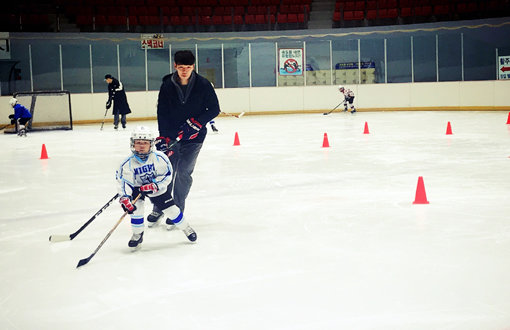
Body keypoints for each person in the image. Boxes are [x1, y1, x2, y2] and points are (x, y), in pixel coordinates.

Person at [148, 50, 220, 226]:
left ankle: (176, 211)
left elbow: (214, 109)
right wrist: (164, 136)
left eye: (188, 67)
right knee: (166, 172)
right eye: (181, 67)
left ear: (193, 67)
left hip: (194, 138)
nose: (185, 71)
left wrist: (197, 123)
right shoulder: (167, 85)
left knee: (184, 173)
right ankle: (159, 207)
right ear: (175, 66)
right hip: (172, 136)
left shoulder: (203, 84)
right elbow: (162, 112)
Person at [115, 126, 197, 250]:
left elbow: (167, 176)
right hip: (138, 188)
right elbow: (124, 182)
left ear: (151, 144)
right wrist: (125, 197)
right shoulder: (127, 163)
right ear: (133, 143)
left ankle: (186, 228)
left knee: (172, 210)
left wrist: (155, 185)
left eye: (145, 143)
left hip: (155, 187)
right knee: (136, 210)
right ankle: (138, 234)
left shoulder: (160, 157)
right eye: (138, 143)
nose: (141, 146)